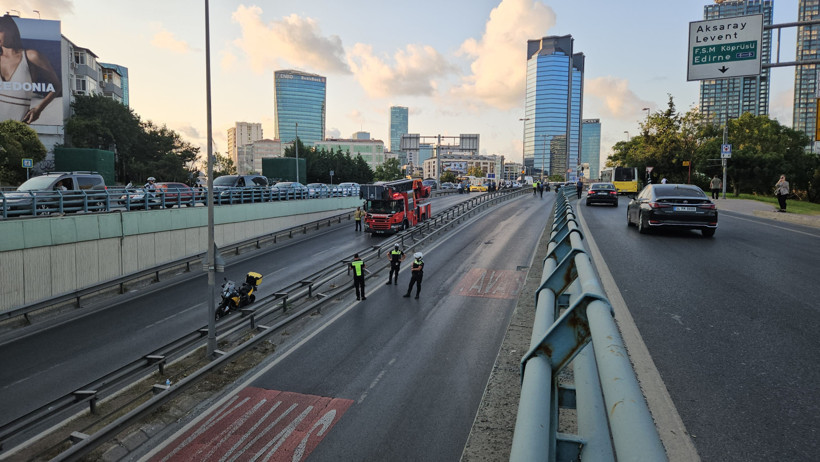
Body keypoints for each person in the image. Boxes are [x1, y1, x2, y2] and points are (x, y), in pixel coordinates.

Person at [0, 15, 62, 124]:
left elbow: (57, 86)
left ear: (11, 30)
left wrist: (39, 108)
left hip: (18, 127)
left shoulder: (31, 56)